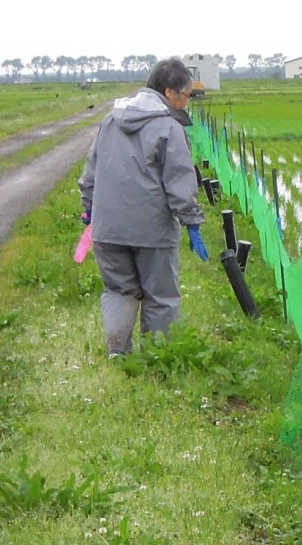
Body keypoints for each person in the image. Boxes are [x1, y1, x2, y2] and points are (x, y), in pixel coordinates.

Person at [78, 57, 207, 354]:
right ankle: (157, 356)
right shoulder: (168, 128)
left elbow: (90, 173)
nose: (187, 102)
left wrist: (89, 209)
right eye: (186, 95)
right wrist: (192, 222)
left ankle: (117, 352)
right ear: (170, 92)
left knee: (119, 290)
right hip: (153, 232)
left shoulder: (110, 121)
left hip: (107, 228)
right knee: (160, 296)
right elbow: (179, 182)